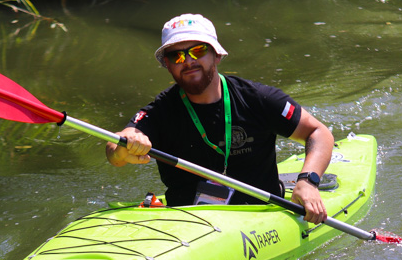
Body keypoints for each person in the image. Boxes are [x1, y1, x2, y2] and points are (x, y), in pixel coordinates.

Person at [105, 13, 334, 224]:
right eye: (176, 55)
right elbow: (115, 149)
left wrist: (308, 181)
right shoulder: (160, 110)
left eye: (197, 51)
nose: (187, 61)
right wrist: (125, 144)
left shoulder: (258, 99)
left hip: (261, 215)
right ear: (167, 64)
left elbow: (318, 133)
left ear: (217, 55)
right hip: (186, 220)